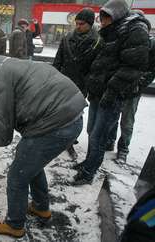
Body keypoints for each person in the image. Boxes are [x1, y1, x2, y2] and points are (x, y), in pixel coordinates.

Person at [0, 50, 86, 238]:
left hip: (57, 121)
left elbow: (0, 136)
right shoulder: (1, 63)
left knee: (17, 175)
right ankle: (40, 207)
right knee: (29, 161)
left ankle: (15, 224)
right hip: (70, 111)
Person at [73, 0, 149, 185]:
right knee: (92, 131)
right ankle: (88, 163)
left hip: (112, 95)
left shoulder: (134, 30)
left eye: (105, 18)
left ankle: (88, 172)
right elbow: (102, 59)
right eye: (102, 17)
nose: (102, 22)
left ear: (116, 15)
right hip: (100, 92)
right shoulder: (112, 31)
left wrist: (111, 91)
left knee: (99, 136)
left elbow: (131, 68)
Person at [53, 8, 101, 161]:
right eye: (77, 23)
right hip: (64, 82)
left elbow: (97, 67)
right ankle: (60, 137)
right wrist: (53, 78)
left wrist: (88, 83)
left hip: (81, 86)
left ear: (90, 24)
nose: (78, 26)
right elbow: (58, 61)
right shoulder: (67, 38)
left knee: (76, 114)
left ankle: (70, 140)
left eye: (81, 24)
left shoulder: (98, 41)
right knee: (60, 111)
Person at [105, 10, 153, 163]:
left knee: (127, 121)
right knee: (113, 116)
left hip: (133, 89)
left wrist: (139, 84)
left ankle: (123, 150)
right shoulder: (123, 37)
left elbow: (152, 70)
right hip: (119, 85)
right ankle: (110, 142)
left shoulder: (149, 43)